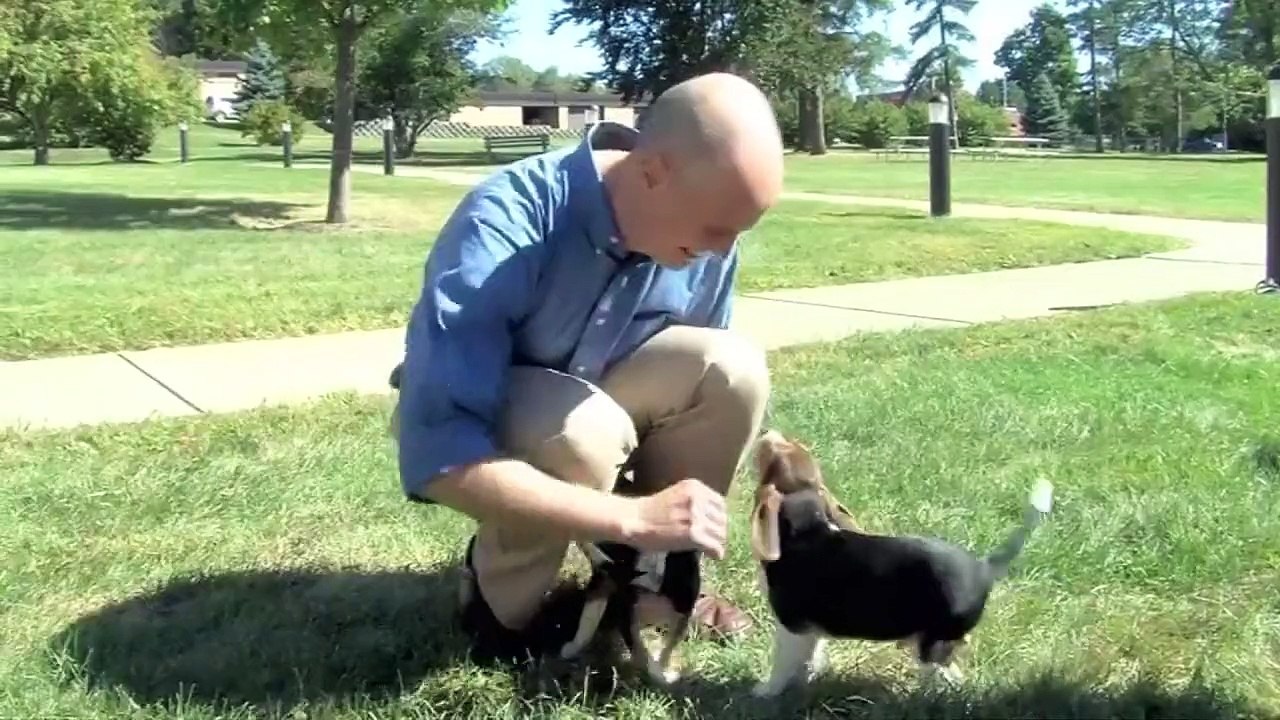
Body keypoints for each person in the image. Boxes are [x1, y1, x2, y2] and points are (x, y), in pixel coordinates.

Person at [390, 72, 785, 650]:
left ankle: (654, 583)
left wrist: (653, 518)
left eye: (738, 232)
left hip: (596, 406)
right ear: (651, 173)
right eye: (716, 228)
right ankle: (500, 606)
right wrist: (629, 518)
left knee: (731, 369)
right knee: (582, 433)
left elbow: (694, 395)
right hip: (498, 415)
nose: (723, 249)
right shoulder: (505, 220)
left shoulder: (704, 238)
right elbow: (438, 449)